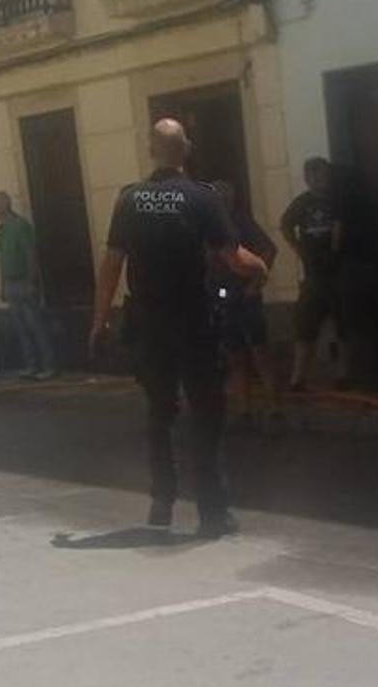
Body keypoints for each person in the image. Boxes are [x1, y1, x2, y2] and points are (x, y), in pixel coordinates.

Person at [90, 119, 269, 538]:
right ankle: (212, 511)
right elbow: (235, 259)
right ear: (185, 149)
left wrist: (98, 321)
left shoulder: (128, 200)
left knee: (160, 411)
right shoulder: (201, 197)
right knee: (206, 412)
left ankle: (162, 500)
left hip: (149, 325)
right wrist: (259, 266)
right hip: (194, 322)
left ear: (151, 150)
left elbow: (112, 265)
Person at [208, 180, 283, 425]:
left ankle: (273, 408)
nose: (220, 200)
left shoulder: (240, 222)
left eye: (223, 196)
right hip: (222, 297)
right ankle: (244, 410)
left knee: (259, 351)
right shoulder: (208, 226)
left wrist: (255, 285)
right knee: (235, 355)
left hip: (245, 296)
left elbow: (269, 250)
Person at [281, 157, 348, 391]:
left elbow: (340, 231)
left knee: (340, 326)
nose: (320, 180)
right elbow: (285, 225)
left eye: (323, 175)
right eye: (315, 176)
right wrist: (298, 248)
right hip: (313, 274)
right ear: (308, 178)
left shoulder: (337, 200)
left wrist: (336, 247)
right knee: (305, 326)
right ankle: (298, 378)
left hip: (338, 272)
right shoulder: (302, 203)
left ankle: (342, 374)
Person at [0, 191, 57, 381]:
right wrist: (2, 285)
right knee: (21, 328)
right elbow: (2, 259)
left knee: (35, 325)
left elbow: (31, 255)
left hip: (23, 281)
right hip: (11, 283)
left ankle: (49, 365)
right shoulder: (1, 230)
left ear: (2, 206)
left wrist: (31, 281)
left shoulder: (21, 226)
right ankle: (31, 365)